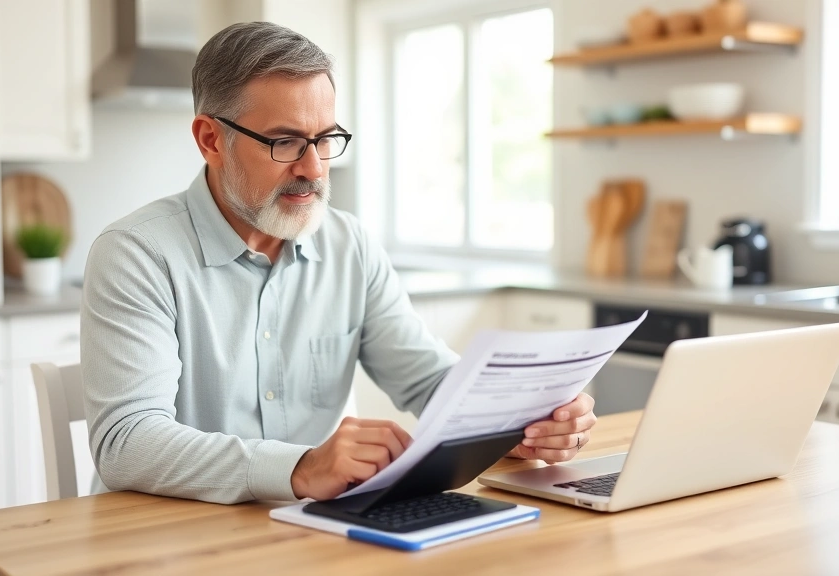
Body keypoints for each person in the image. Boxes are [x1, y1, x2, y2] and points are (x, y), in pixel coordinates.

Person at [81, 22, 595, 504]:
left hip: (309, 531)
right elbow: (127, 443)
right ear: (211, 140)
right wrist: (300, 467)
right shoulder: (137, 253)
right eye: (285, 142)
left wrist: (518, 421)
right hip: (164, 537)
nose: (314, 168)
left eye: (325, 139)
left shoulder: (350, 246)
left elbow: (425, 379)